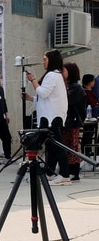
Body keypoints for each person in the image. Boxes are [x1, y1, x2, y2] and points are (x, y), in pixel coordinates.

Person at [24, 50, 71, 186]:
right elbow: (47, 97)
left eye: (45, 59)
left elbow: (43, 93)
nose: (43, 61)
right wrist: (30, 98)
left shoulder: (52, 75)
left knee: (57, 146)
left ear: (51, 60)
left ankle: (65, 175)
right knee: (50, 146)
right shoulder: (55, 75)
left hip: (51, 117)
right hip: (49, 115)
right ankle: (50, 173)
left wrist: (33, 80)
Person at [62, 63, 87, 181]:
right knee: (67, 146)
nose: (62, 73)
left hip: (73, 122)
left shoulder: (76, 87)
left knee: (72, 146)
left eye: (64, 71)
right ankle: (69, 170)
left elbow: (67, 101)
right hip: (67, 122)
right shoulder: (68, 86)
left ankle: (74, 172)